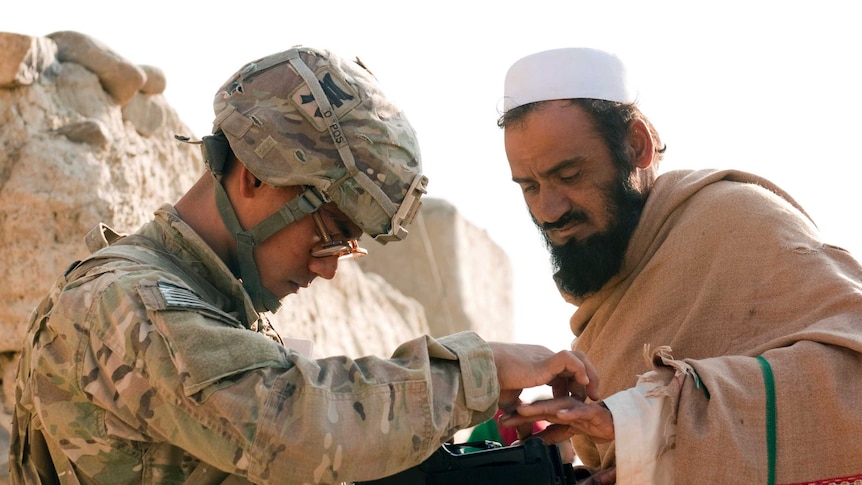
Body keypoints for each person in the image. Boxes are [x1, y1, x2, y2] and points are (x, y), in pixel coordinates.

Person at [10, 46, 599, 484]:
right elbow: (295, 425)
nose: (327, 269)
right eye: (331, 233)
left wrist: (490, 444)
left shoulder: (213, 310)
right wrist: (479, 370)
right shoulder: (126, 304)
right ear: (257, 173)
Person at [494, 47, 862, 484]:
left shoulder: (737, 222)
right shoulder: (614, 282)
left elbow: (851, 376)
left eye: (569, 176)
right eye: (530, 186)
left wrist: (647, 419)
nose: (549, 210)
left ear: (637, 146)